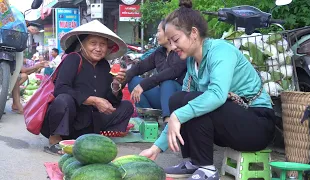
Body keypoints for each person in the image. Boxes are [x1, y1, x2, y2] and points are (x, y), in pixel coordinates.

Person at [139, 0, 276, 179]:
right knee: (178, 99)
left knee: (192, 102)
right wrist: (156, 148)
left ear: (194, 33)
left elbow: (217, 95)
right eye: (170, 42)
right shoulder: (191, 63)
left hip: (256, 125)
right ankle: (194, 162)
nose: (172, 47)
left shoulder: (221, 52)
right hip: (230, 124)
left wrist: (177, 116)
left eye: (176, 40)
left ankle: (207, 169)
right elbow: (182, 104)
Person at [40, 20, 133, 155]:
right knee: (63, 99)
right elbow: (61, 88)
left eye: (103, 44)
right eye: (93, 43)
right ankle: (55, 139)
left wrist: (116, 85)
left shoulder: (105, 66)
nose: (98, 48)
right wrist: (93, 100)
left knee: (126, 106)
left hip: (92, 121)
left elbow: (110, 101)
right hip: (71, 117)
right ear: (82, 44)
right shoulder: (73, 59)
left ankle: (97, 135)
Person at [125, 20, 186, 123]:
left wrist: (144, 85)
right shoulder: (159, 52)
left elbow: (172, 72)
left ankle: (168, 121)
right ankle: (149, 119)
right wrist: (119, 82)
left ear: (168, 33)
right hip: (163, 98)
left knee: (167, 82)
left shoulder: (181, 51)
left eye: (158, 31)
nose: (156, 35)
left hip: (179, 97)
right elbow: (139, 67)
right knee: (133, 81)